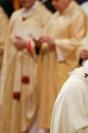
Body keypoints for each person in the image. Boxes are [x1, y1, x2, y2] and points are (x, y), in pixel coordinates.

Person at [36, 0, 88, 131]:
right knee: (50, 109)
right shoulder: (55, 15)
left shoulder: (78, 14)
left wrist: (55, 42)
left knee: (64, 110)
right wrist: (41, 42)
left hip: (64, 69)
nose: (52, 3)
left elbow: (79, 42)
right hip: (49, 67)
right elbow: (47, 39)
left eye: (56, 0)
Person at [0, 0, 51, 132]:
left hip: (35, 69)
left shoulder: (45, 16)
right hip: (15, 70)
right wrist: (5, 75)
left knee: (35, 114)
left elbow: (47, 45)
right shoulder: (15, 16)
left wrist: (28, 45)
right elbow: (8, 49)